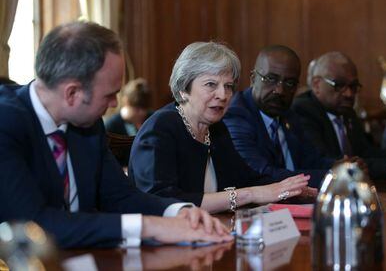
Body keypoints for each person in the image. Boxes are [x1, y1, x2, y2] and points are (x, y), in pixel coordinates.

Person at [0, 21, 232, 249]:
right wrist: (150, 227)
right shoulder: (6, 123)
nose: (114, 104)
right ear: (72, 93)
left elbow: (121, 196)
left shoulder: (88, 123)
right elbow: (33, 226)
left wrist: (179, 211)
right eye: (110, 95)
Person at [129, 41, 316, 213]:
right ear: (183, 89)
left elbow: (248, 179)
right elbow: (162, 202)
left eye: (228, 86)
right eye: (211, 84)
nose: (223, 95)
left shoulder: (216, 129)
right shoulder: (160, 129)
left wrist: (291, 189)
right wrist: (249, 194)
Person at [222, 45, 335, 188]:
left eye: (290, 83)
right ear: (253, 79)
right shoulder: (237, 115)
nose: (280, 90)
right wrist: (332, 178)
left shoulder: (289, 114)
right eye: (270, 79)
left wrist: (343, 168)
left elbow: (312, 160)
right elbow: (261, 174)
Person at [292, 51, 386, 180]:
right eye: (339, 85)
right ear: (316, 84)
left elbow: (366, 152)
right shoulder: (303, 111)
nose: (349, 94)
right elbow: (332, 164)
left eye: (353, 86)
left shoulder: (347, 112)